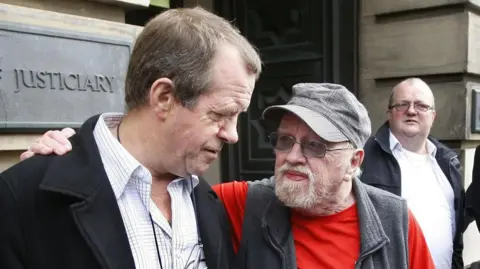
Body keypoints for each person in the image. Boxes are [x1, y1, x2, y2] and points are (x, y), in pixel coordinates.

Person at [22, 83, 435, 268]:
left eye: (315, 146)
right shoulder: (243, 203)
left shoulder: (395, 223)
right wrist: (71, 154)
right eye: (285, 140)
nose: (292, 157)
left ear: (355, 160)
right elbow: (146, 183)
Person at [0, 7, 262, 269]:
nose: (233, 135)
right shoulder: (24, 198)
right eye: (220, 114)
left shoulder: (208, 201)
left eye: (237, 116)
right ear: (164, 98)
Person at [361, 78, 465, 269]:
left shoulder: (447, 163)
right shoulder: (364, 159)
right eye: (402, 104)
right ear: (389, 113)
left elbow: (456, 239)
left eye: (421, 105)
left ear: (433, 116)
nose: (411, 111)